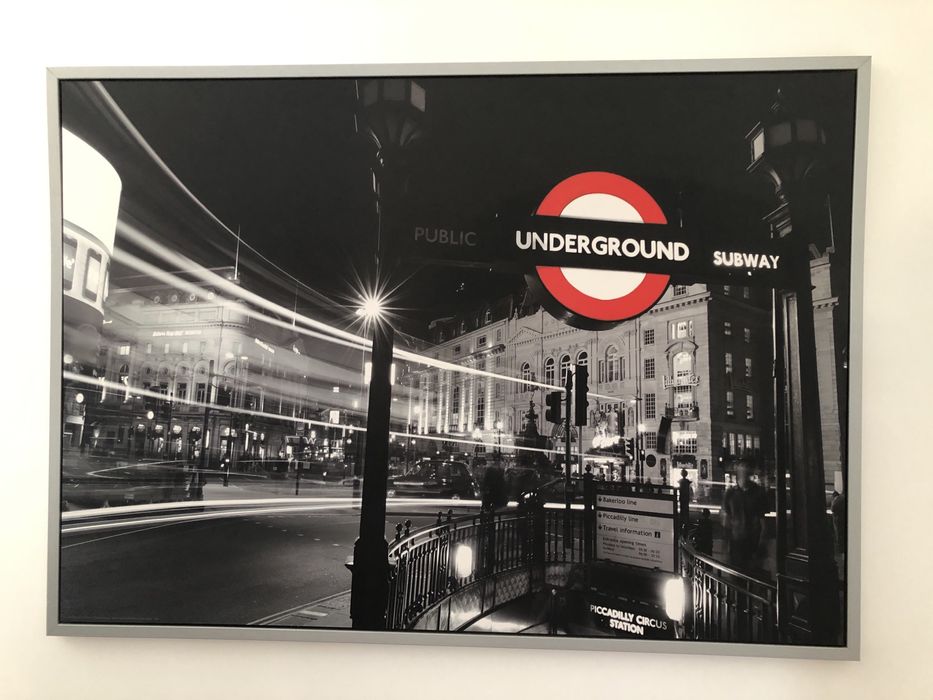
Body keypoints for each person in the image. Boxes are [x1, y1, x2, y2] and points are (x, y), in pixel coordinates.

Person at [721, 459, 768, 570]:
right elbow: (726, 520)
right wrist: (726, 544)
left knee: (752, 573)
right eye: (742, 469)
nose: (744, 472)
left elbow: (763, 521)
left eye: (746, 469)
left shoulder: (758, 493)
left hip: (753, 543)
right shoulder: (730, 493)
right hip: (736, 542)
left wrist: (762, 542)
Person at [831, 490, 846, 555]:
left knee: (839, 534)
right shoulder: (843, 497)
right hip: (843, 518)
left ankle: (840, 549)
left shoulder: (838, 499)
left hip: (838, 519)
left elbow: (833, 509)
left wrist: (833, 501)